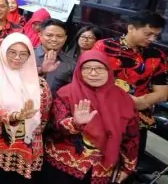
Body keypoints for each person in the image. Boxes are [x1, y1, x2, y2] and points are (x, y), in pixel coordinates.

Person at [41, 51, 139, 184]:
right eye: (87, 68)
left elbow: (131, 136)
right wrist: (75, 123)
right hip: (62, 165)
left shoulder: (123, 99)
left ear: (108, 70)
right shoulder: (66, 93)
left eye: (99, 68)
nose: (93, 73)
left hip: (102, 167)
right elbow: (56, 125)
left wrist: (128, 167)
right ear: (79, 71)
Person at [0, 33, 51, 183]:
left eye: (23, 54)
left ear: (29, 56)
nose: (17, 57)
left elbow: (44, 117)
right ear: (3, 52)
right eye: (12, 52)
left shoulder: (41, 84)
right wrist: (16, 116)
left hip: (27, 150)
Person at [92, 11, 168, 166]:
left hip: (137, 119)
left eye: (156, 35)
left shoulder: (157, 55)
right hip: (103, 114)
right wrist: (124, 101)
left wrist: (140, 102)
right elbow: (90, 80)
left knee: (129, 164)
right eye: (148, 34)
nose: (152, 39)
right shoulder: (104, 47)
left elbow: (162, 93)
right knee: (99, 161)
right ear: (131, 28)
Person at [34, 18, 73, 94]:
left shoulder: (71, 64)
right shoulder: (27, 55)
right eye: (49, 35)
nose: (54, 39)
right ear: (40, 35)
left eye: (59, 36)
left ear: (65, 38)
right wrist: (41, 71)